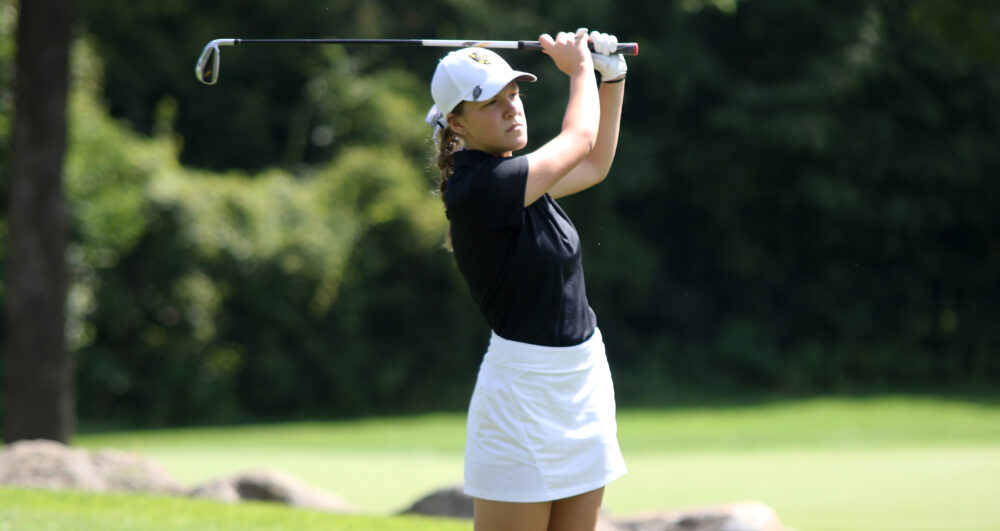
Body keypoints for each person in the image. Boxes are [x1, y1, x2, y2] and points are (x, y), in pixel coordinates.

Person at [425, 28, 628, 531]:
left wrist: (613, 76)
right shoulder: (478, 188)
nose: (512, 108)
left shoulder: (518, 177)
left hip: (581, 383)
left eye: (514, 94)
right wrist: (581, 69)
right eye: (492, 103)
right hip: (522, 400)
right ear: (456, 123)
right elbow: (578, 139)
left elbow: (596, 162)